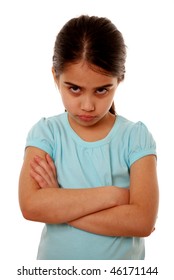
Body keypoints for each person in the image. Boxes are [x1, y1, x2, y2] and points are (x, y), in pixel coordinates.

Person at [18, 15, 159, 260]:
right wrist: (114, 196)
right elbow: (31, 206)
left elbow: (142, 222)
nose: (87, 105)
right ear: (55, 77)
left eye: (102, 90)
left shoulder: (135, 137)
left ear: (119, 80)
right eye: (74, 88)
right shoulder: (46, 133)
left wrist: (58, 203)